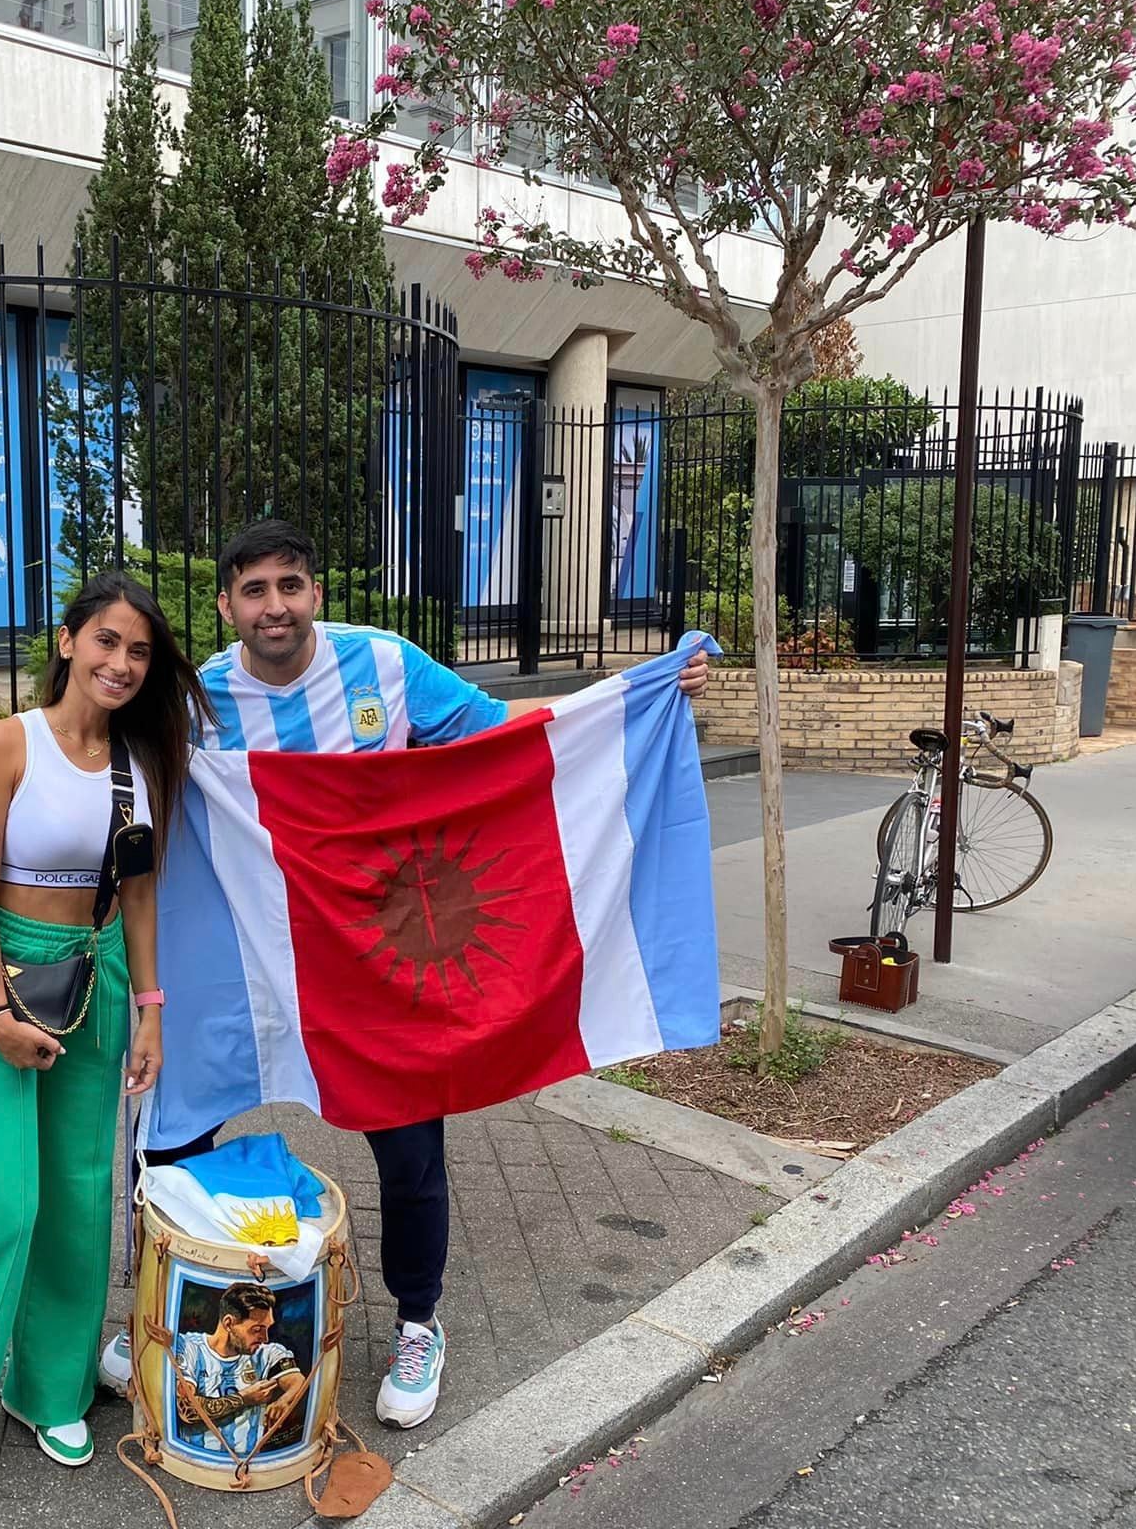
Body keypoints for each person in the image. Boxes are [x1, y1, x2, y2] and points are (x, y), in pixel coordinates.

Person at [101, 519, 712, 1429]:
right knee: (171, 1130)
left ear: (316, 592)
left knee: (410, 1147)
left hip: (374, 959)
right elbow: (98, 750)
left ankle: (421, 1319)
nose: (277, 605)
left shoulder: (383, 665)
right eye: (256, 590)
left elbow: (506, 735)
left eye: (292, 584)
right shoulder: (196, 700)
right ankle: (159, 1305)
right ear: (227, 605)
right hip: (241, 950)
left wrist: (636, 691)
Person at [0, 572, 215, 1490]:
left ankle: (46, 1386)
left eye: (140, 651)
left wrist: (150, 1011)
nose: (122, 663)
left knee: (74, 1196)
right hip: (9, 973)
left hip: (99, 978)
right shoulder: (6, 745)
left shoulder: (140, 764)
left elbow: (139, 896)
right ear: (67, 642)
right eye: (107, 642)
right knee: (1, 1202)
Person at [171, 1282, 309, 1458]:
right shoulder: (189, 1347)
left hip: (250, 1459)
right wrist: (244, 1399)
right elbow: (186, 1409)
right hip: (192, 1458)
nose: (264, 1338)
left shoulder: (267, 1352)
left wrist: (285, 1400)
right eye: (257, 1329)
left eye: (268, 1329)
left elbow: (297, 1380)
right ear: (229, 1323)